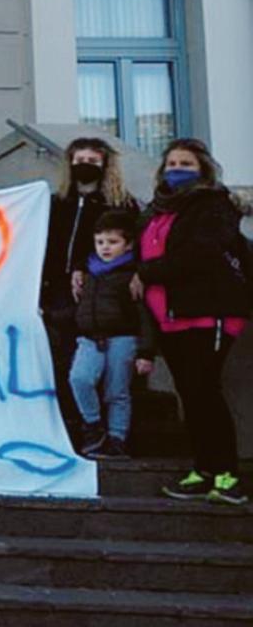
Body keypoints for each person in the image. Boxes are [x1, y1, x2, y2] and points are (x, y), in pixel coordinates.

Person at [137, 138, 250, 504]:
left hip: (208, 314)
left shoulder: (213, 206)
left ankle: (226, 474)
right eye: (171, 162)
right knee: (192, 395)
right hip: (170, 318)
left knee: (205, 392)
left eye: (186, 163)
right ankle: (203, 469)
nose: (177, 169)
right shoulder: (157, 211)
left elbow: (201, 253)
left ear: (202, 169)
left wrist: (148, 273)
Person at [41, 137, 138, 445]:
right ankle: (77, 423)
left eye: (93, 161)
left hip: (101, 291)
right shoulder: (57, 203)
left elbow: (130, 247)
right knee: (66, 361)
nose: (85, 165)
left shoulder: (121, 204)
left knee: (105, 371)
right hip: (57, 288)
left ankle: (111, 432)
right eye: (78, 159)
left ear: (105, 165)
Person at [69, 210, 155, 459]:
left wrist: (146, 352)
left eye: (113, 242)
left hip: (122, 338)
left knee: (117, 391)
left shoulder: (132, 275)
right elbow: (80, 306)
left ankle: (117, 438)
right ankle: (93, 426)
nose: (105, 248)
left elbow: (144, 315)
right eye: (100, 242)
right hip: (90, 337)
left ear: (128, 245)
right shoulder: (89, 271)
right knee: (79, 378)